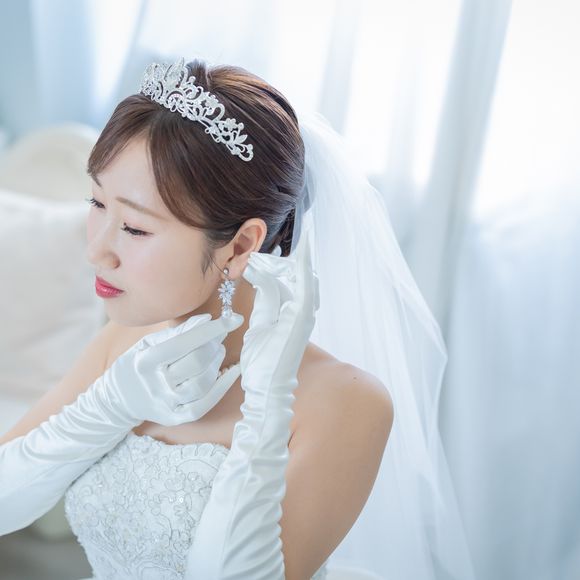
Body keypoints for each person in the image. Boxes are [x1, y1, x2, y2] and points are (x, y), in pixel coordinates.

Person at [0, 56, 475, 580]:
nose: (96, 250)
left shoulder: (348, 403)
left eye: (135, 228)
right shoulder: (127, 341)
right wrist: (106, 407)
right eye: (96, 202)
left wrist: (267, 407)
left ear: (242, 244)